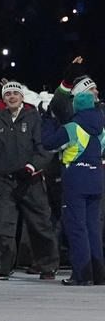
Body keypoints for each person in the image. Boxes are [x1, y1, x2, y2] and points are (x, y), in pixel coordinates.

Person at [0, 81, 59, 280]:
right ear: (3, 98)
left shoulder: (34, 118)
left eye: (16, 93)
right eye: (8, 94)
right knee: (3, 226)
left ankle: (47, 266)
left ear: (22, 97)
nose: (12, 97)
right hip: (4, 181)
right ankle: (0, 268)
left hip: (30, 181)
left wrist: (31, 167)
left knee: (39, 224)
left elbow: (45, 148)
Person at [41, 91, 105, 285]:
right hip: (97, 177)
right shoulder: (101, 128)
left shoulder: (72, 127)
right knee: (93, 227)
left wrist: (50, 120)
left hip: (76, 177)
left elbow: (49, 144)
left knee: (77, 227)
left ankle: (82, 274)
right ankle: (98, 274)